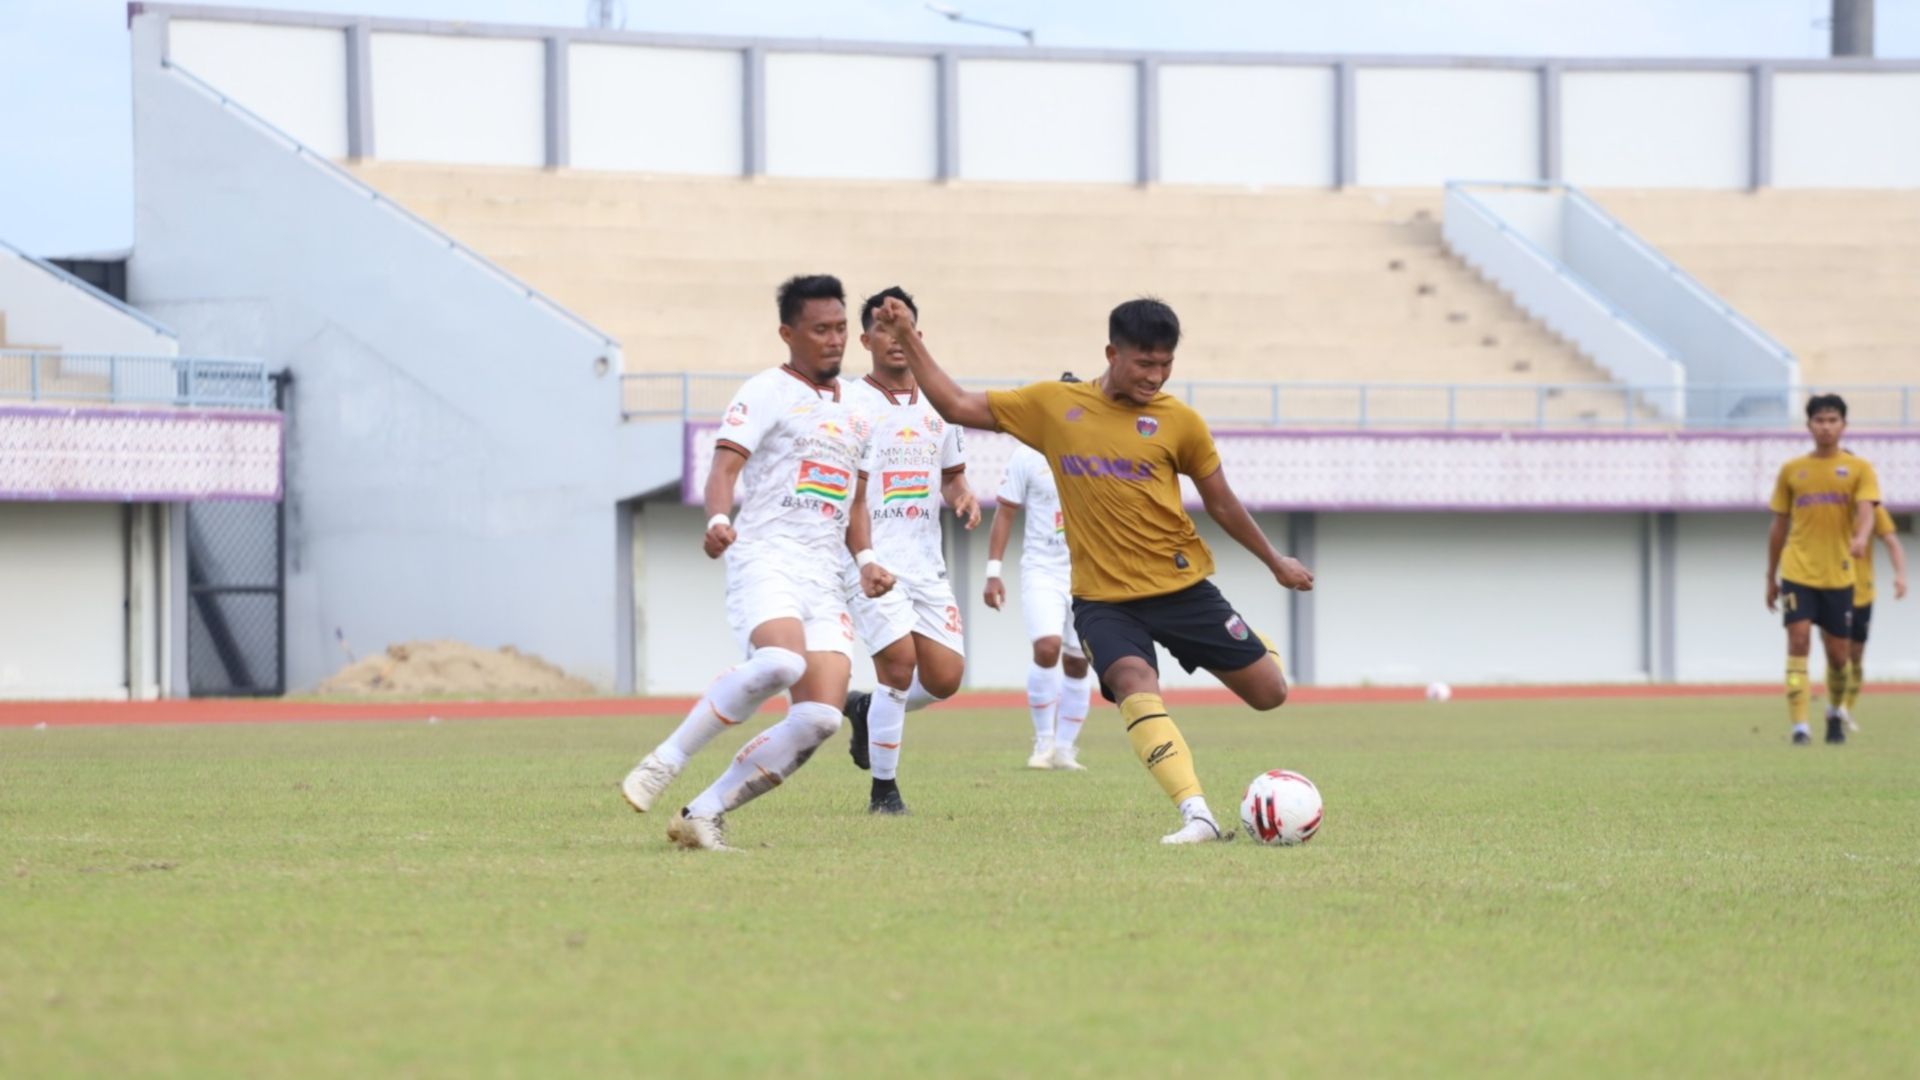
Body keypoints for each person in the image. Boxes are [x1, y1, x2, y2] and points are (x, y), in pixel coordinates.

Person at [874, 294, 1315, 844]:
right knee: (1134, 682)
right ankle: (1196, 813)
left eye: (1166, 364)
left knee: (1270, 693)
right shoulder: (1055, 406)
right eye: (1144, 363)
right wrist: (910, 335)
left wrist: (1275, 562)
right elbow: (958, 404)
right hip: (1103, 599)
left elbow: (1222, 502)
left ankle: (1251, 642)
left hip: (1181, 588)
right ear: (1112, 352)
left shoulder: (1181, 422)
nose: (1156, 376)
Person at [620, 274, 895, 850]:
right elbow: (722, 469)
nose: (834, 339)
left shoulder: (862, 411)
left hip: (825, 577)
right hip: (767, 557)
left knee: (820, 719)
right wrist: (719, 520)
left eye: (841, 328)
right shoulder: (765, 390)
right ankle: (664, 760)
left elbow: (857, 500)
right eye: (820, 329)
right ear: (787, 333)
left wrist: (866, 557)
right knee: (780, 664)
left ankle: (703, 812)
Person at [836, 286, 980, 815]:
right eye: (885, 330)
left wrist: (962, 497)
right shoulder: (852, 402)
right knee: (898, 664)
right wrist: (860, 554)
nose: (896, 341)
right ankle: (884, 792)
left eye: (906, 331)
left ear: (917, 337)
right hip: (869, 559)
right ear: (866, 339)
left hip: (926, 563)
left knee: (943, 678)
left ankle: (867, 711)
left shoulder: (941, 404)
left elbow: (954, 477)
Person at [984, 374, 1094, 771]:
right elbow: (1005, 513)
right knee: (1046, 648)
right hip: (1042, 568)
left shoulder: (1097, 450)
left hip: (1086, 570)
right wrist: (993, 571)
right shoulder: (1026, 455)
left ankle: (1065, 749)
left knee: (1079, 660)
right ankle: (1043, 742)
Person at [1765, 395, 1881, 746]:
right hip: (1798, 571)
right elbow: (1778, 526)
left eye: (1832, 420)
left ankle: (1833, 712)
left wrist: (1861, 537)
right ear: (1809, 425)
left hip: (1839, 575)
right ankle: (1800, 725)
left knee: (1838, 655)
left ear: (1843, 425)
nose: (1826, 426)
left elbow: (1867, 511)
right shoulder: (1792, 470)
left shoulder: (1859, 469)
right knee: (1798, 641)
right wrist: (1770, 576)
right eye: (1819, 420)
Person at [1840, 491, 1906, 729]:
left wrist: (1900, 575)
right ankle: (1835, 708)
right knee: (1838, 653)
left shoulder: (1873, 510)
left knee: (1856, 655)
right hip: (1834, 589)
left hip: (1863, 593)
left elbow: (1892, 542)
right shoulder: (1829, 510)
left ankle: (1846, 708)